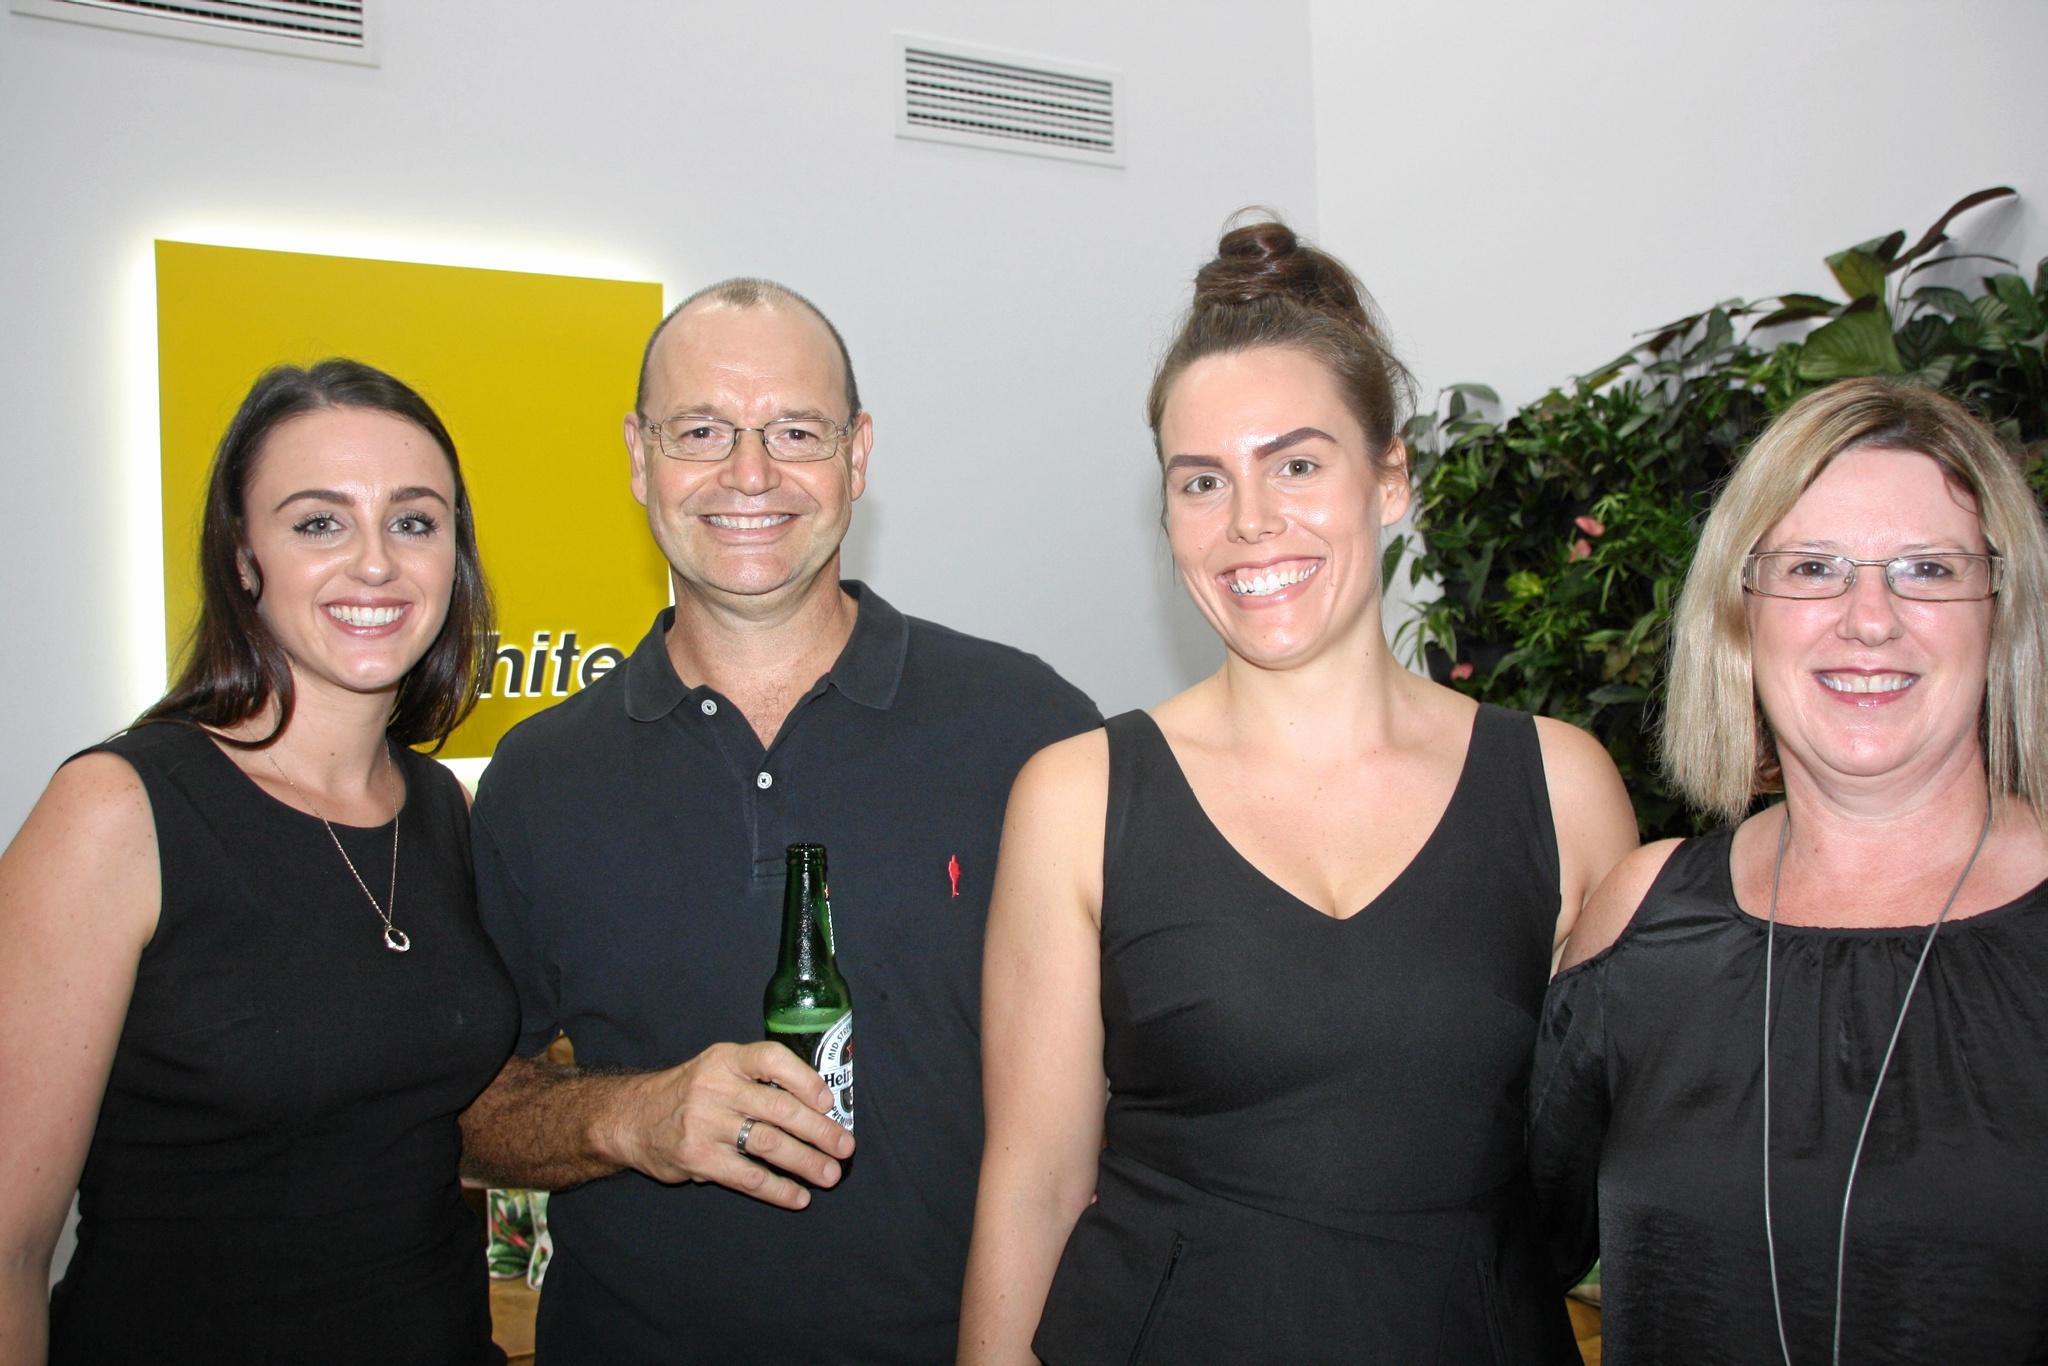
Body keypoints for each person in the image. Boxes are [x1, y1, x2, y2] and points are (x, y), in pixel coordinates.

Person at [957, 219, 1639, 1365]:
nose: (1249, 522)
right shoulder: (1078, 797)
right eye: (1201, 480)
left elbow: (1612, 1175)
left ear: (1389, 478)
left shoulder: (1559, 785)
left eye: (1297, 463)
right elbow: (1031, 1187)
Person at [456, 278, 1100, 1363]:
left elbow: (1138, 1080)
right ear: (636, 455)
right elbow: (468, 1115)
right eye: (700, 429)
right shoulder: (538, 775)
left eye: (792, 430)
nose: (747, 473)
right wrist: (631, 1118)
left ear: (855, 456)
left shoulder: (1029, 729)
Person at [0, 359, 516, 1365]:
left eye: (414, 522)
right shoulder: (119, 810)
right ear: (244, 558)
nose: (375, 563)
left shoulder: (440, 808)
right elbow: (9, 1245)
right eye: (318, 522)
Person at [1532, 378, 2048, 1363]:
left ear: (1999, 611)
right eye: (1812, 567)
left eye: (1926, 570)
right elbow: (1495, 1263)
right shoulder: (1639, 924)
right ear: (1741, 612)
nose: (1866, 617)